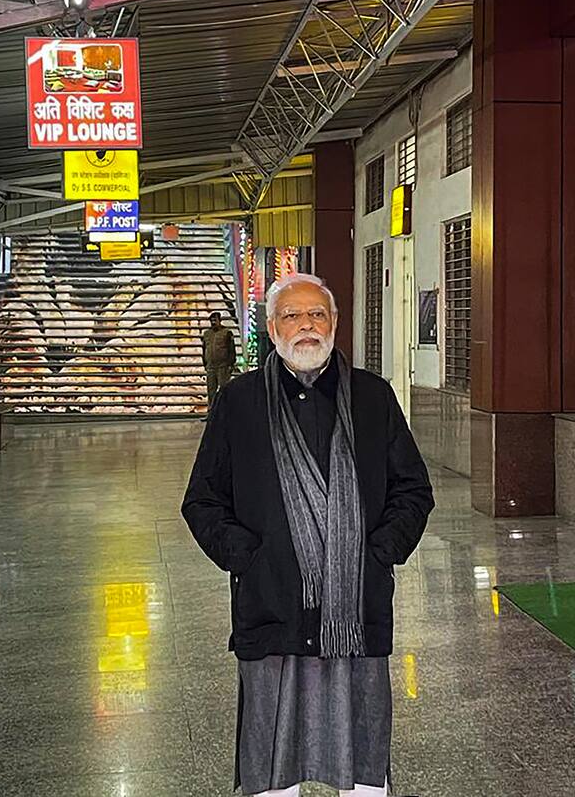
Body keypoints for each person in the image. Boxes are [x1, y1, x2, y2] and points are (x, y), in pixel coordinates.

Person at [182, 273, 434, 797]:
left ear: (335, 325)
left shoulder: (373, 397)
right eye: (293, 316)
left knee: (362, 750)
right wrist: (251, 558)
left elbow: (413, 489)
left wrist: (378, 553)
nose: (306, 326)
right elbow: (202, 501)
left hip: (355, 608)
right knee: (272, 752)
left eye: (317, 315)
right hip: (272, 607)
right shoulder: (239, 402)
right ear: (272, 328)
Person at [202, 310, 236, 408]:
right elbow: (204, 349)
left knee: (224, 390)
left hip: (223, 366)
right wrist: (205, 363)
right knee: (211, 390)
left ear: (219, 320)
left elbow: (231, 349)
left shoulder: (226, 333)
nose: (213, 323)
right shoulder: (207, 334)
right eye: (211, 321)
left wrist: (231, 364)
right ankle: (211, 412)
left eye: (215, 320)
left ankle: (225, 411)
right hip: (211, 367)